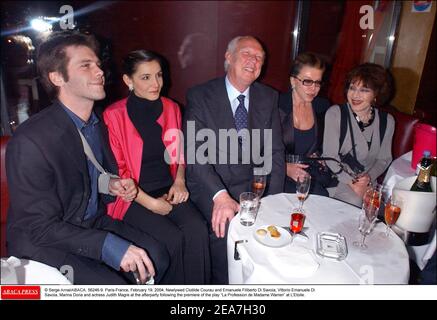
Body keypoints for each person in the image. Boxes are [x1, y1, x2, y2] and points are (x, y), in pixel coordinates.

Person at [6, 31, 171, 285]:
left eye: (97, 64)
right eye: (86, 65)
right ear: (57, 77)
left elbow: (87, 174)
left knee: (157, 257)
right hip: (46, 241)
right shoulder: (31, 140)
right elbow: (38, 227)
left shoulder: (96, 123)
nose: (99, 72)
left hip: (89, 221)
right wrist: (108, 246)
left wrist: (111, 183)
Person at [103, 50, 210, 284]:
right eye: (146, 77)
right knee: (171, 239)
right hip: (131, 196)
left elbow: (178, 152)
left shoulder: (172, 108)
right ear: (128, 80)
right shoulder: (113, 115)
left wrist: (179, 181)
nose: (156, 84)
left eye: (159, 75)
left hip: (167, 187)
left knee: (197, 230)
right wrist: (151, 203)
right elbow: (119, 172)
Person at [184, 36, 285, 284]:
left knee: (273, 238)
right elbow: (195, 154)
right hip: (212, 186)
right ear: (228, 58)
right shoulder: (200, 95)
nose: (253, 60)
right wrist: (219, 196)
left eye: (259, 57)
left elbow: (275, 152)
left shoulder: (268, 97)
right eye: (246, 54)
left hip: (252, 187)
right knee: (229, 238)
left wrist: (274, 198)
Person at [322, 63, 395, 207]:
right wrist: (352, 182)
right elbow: (329, 157)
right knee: (355, 202)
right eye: (352, 88)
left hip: (367, 181)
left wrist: (368, 178)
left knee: (382, 207)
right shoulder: (336, 114)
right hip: (338, 178)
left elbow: (384, 159)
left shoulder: (387, 121)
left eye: (364, 90)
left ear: (376, 94)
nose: (355, 95)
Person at [279, 52, 331, 196]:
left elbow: (323, 143)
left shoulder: (322, 107)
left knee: (322, 197)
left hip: (307, 174)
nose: (313, 88)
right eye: (307, 81)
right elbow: (258, 151)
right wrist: (285, 168)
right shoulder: (276, 105)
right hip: (278, 175)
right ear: (293, 81)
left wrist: (319, 155)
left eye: (318, 82)